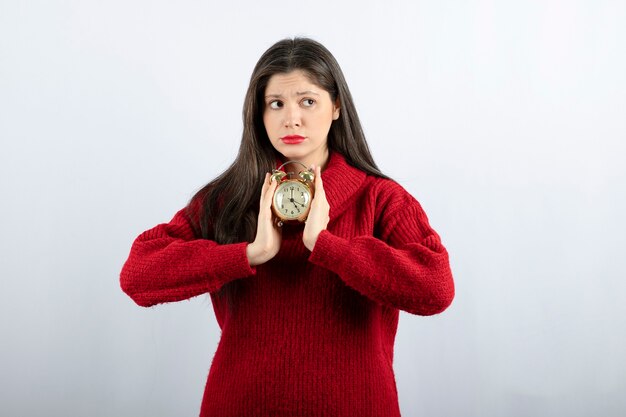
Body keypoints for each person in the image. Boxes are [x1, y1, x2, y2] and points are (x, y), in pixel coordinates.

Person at [120, 37, 454, 417]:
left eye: (307, 101)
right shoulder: (226, 199)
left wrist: (328, 247)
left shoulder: (381, 199)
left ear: (336, 106)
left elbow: (436, 287)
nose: (291, 118)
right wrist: (248, 253)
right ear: (259, 114)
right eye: (276, 104)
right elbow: (137, 275)